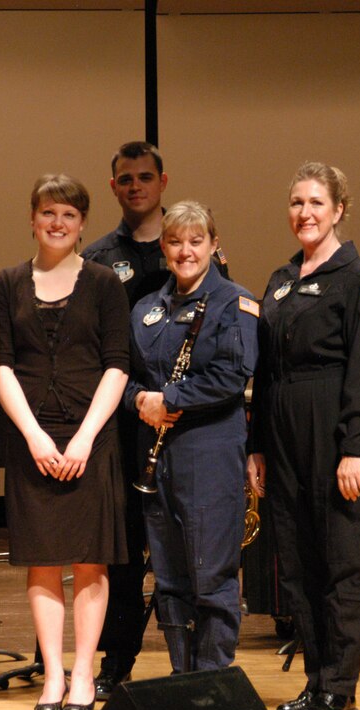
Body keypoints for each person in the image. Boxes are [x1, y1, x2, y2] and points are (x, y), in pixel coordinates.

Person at [81, 141, 232, 697]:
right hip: (128, 426)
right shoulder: (98, 258)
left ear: (162, 182)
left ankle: (199, 672)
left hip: (188, 430)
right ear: (114, 185)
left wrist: (169, 398)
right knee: (124, 554)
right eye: (125, 179)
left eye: (146, 177)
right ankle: (115, 665)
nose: (136, 186)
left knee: (191, 557)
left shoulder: (196, 252)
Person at [248, 163, 360, 710]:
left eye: (315, 202)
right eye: (295, 203)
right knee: (300, 564)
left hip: (332, 432)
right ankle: (315, 684)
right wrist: (256, 443)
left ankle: (340, 688)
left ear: (338, 210)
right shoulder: (280, 280)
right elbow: (264, 370)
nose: (304, 213)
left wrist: (355, 444)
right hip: (283, 435)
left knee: (342, 561)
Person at [0, 174, 129, 710]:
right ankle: (51, 675)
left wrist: (86, 437)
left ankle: (85, 673)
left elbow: (117, 364)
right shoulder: (6, 283)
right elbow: (1, 365)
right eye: (48, 212)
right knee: (42, 562)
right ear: (32, 217)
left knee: (92, 562)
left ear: (82, 223)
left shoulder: (103, 283)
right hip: (32, 438)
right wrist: (34, 435)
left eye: (68, 215)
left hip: (93, 437)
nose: (57, 222)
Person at [124, 200, 258, 674]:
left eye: (196, 241)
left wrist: (171, 399)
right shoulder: (146, 309)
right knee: (170, 580)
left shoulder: (233, 302)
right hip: (158, 460)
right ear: (163, 247)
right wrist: (141, 401)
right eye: (176, 242)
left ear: (214, 245)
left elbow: (232, 374)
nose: (185, 251)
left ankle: (213, 682)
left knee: (210, 577)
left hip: (209, 453)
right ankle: (183, 679)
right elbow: (128, 375)